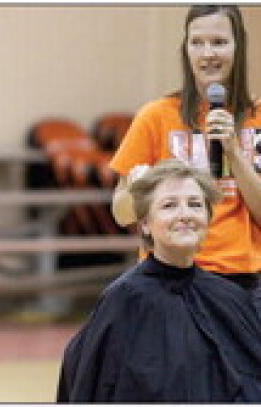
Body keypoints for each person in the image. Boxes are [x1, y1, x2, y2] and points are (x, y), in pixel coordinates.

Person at [57, 159, 261, 402]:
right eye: (169, 205)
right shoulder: (124, 299)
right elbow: (89, 384)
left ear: (208, 218)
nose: (185, 215)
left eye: (195, 204)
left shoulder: (231, 298)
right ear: (145, 224)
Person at [109, 5, 261, 311]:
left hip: (243, 281)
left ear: (238, 46)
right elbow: (121, 213)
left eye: (219, 42)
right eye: (197, 42)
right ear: (186, 49)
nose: (207, 54)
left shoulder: (258, 118)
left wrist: (233, 151)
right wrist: (138, 193)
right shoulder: (156, 116)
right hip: (171, 281)